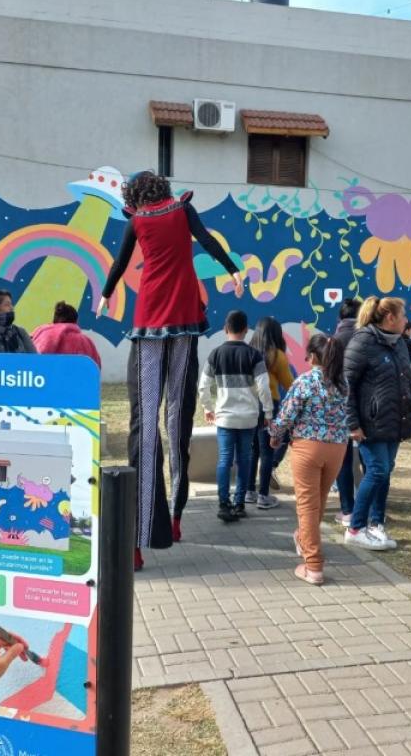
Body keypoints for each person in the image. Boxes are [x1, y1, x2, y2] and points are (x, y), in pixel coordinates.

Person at [97, 171, 244, 569]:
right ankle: (175, 518)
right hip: (183, 320)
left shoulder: (137, 220)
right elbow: (209, 243)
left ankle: (138, 540)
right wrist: (233, 270)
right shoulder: (183, 209)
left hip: (148, 321)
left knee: (143, 428)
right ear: (161, 188)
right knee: (177, 418)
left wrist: (107, 295)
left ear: (133, 195)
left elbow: (120, 262)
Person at [269, 333, 348, 585]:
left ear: (312, 356)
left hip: (307, 447)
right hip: (337, 447)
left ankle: (313, 565)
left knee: (306, 505)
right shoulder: (343, 383)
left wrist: (275, 435)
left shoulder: (305, 381)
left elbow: (287, 414)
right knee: (319, 501)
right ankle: (304, 539)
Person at [343, 296, 411, 551]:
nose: (407, 320)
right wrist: (352, 423)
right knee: (376, 471)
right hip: (369, 425)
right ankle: (355, 527)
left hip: (395, 422)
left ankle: (376, 523)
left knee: (385, 472)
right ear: (390, 318)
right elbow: (347, 387)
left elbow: (405, 381)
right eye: (403, 314)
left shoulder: (399, 344)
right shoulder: (362, 342)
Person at [197, 310, 273, 524]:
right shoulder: (254, 355)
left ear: (225, 328)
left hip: (225, 417)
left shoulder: (215, 354)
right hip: (249, 417)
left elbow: (203, 386)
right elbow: (264, 387)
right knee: (244, 459)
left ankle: (224, 503)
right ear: (246, 330)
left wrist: (208, 407)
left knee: (224, 459)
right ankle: (239, 504)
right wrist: (267, 411)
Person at [245, 317, 294, 510]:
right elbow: (288, 384)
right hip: (268, 406)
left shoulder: (248, 353)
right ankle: (264, 495)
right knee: (267, 452)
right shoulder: (277, 356)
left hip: (248, 406)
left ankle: (249, 491)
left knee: (253, 450)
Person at [332, 298, 362, 526]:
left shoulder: (335, 340)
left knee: (343, 459)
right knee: (370, 459)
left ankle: (348, 509)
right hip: (369, 405)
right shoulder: (370, 338)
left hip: (341, 405)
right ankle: (371, 510)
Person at [31, 301, 101, 366]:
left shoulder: (41, 335)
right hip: (77, 378)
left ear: (54, 320)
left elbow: (30, 362)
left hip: (44, 378)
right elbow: (96, 367)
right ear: (75, 321)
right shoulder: (86, 341)